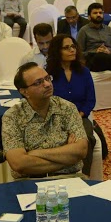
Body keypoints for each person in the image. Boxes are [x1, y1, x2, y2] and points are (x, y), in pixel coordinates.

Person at [2, 62, 89, 179]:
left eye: (48, 78)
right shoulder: (13, 116)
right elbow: (19, 164)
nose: (47, 84)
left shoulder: (67, 108)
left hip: (69, 177)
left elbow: (81, 150)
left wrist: (34, 153)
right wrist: (68, 158)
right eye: (38, 82)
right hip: (29, 181)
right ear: (24, 91)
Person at [45, 34, 96, 176]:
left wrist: (78, 116)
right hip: (56, 118)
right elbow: (46, 101)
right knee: (57, 140)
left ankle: (84, 176)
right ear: (57, 51)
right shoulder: (48, 74)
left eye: (73, 46)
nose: (72, 50)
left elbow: (90, 100)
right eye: (66, 48)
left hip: (80, 116)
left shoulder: (84, 72)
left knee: (87, 139)